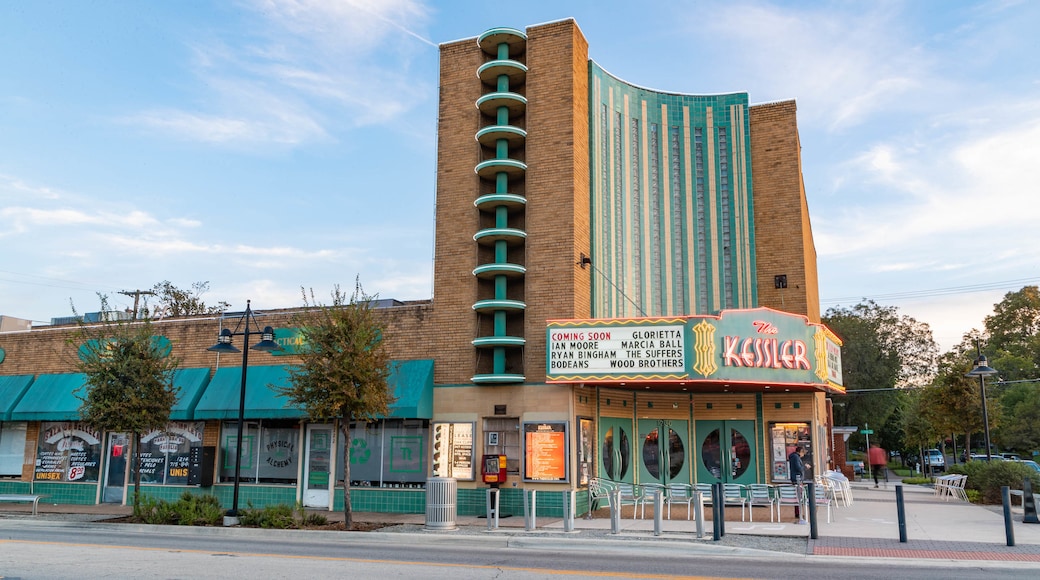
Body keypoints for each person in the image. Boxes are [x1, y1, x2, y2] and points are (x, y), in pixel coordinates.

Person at [788, 446, 807, 524]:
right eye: (803, 453)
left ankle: (798, 512)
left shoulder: (793, 457)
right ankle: (798, 512)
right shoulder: (796, 457)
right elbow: (798, 468)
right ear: (800, 451)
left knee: (797, 495)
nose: (803, 455)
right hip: (797, 479)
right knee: (799, 496)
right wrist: (805, 467)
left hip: (795, 478)